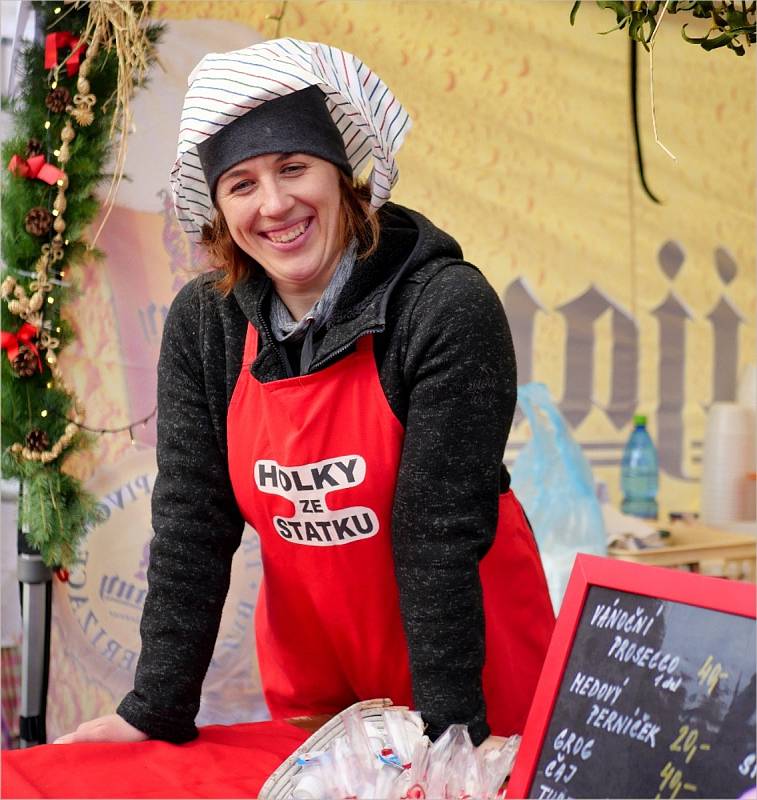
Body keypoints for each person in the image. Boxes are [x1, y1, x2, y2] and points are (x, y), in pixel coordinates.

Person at [56, 38, 555, 750]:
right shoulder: (207, 325)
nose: (275, 203)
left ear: (343, 176)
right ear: (219, 208)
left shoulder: (443, 307)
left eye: (294, 168)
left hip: (471, 676)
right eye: (242, 184)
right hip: (318, 687)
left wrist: (452, 746)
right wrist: (155, 708)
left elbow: (436, 534)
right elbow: (193, 523)